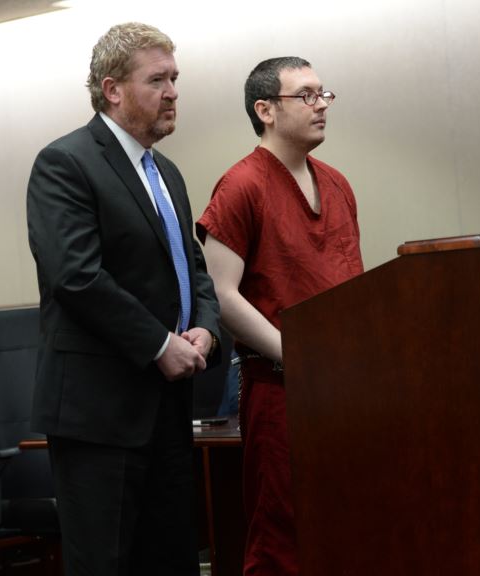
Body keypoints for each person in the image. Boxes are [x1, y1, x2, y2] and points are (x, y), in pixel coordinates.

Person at [26, 23, 221, 575]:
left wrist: (205, 325)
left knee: (173, 559)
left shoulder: (168, 174)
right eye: (157, 79)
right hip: (100, 412)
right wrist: (160, 343)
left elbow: (195, 270)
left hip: (168, 404)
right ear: (113, 89)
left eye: (175, 78)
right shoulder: (65, 163)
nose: (174, 91)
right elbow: (76, 276)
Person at [196, 57, 363, 575]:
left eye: (323, 94)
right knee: (282, 542)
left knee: (348, 529)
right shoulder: (242, 185)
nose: (321, 106)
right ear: (265, 109)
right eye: (306, 95)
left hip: (342, 387)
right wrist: (298, 354)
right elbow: (221, 296)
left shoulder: (336, 183)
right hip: (281, 387)